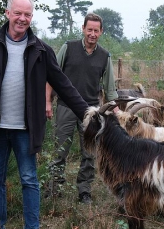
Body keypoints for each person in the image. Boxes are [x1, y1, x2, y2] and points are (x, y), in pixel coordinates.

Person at [0, 0, 89, 229]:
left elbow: (63, 85)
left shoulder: (41, 50)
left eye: (27, 15)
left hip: (26, 128)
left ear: (31, 17)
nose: (22, 19)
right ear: (7, 13)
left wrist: (87, 113)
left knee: (29, 179)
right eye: (18, 13)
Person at [45, 13, 118, 204]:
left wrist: (116, 112)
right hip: (66, 106)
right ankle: (54, 187)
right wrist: (47, 101)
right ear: (83, 29)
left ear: (101, 32)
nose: (92, 34)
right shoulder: (68, 48)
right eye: (89, 29)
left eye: (96, 30)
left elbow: (110, 89)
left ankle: (84, 190)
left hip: (91, 110)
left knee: (89, 152)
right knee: (60, 149)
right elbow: (52, 75)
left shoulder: (105, 56)